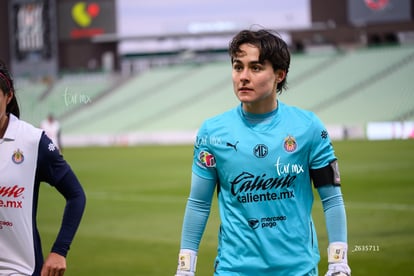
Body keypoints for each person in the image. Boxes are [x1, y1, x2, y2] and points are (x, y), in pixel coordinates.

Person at [175, 29, 351, 276]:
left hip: (297, 270)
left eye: (255, 68)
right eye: (238, 67)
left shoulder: (308, 128)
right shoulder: (212, 133)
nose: (243, 77)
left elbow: (331, 199)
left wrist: (338, 262)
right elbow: (199, 204)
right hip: (233, 270)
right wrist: (185, 268)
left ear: (280, 74)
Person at [0, 60, 86, 275]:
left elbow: (76, 195)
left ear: (8, 97)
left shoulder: (32, 141)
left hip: (20, 270)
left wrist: (59, 251)